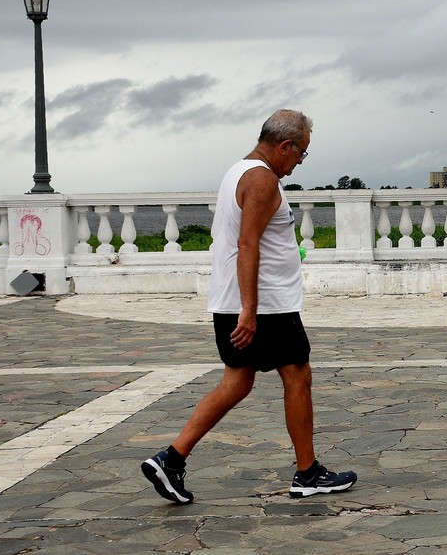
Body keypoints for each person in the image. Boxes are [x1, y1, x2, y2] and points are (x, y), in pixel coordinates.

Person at [141, 109, 356, 503]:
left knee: (237, 382)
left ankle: (170, 460)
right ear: (284, 145)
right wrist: (250, 310)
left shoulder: (238, 171)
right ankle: (307, 473)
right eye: (301, 153)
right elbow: (247, 245)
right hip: (265, 306)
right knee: (298, 376)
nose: (300, 162)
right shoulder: (261, 179)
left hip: (237, 301)